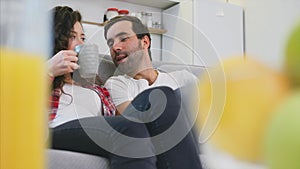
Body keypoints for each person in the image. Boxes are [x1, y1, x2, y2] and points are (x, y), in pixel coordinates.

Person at [48, 6, 202, 169]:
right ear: (56, 39)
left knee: (158, 98)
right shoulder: (38, 73)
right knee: (128, 129)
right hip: (56, 130)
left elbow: (120, 118)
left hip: (97, 132)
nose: (82, 44)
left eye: (83, 37)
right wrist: (49, 69)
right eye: (73, 36)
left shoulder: (92, 85)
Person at [103, 16, 202, 168]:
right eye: (110, 43)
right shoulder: (116, 84)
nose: (115, 47)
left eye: (123, 38)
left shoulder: (184, 77)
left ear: (145, 42)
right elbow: (133, 129)